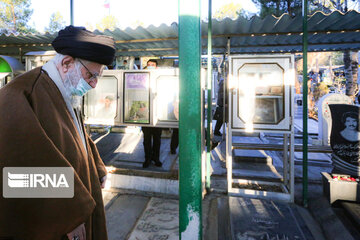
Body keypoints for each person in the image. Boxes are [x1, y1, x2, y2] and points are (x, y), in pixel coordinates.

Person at [0, 26, 116, 240]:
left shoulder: (62, 89)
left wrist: (96, 166)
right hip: (54, 222)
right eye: (91, 75)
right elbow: (16, 172)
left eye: (97, 77)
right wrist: (66, 215)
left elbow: (77, 137)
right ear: (66, 63)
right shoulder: (20, 94)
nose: (93, 84)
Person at [142, 59, 163, 168]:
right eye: (148, 65)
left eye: (152, 65)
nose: (150, 66)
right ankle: (147, 159)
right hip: (145, 114)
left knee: (157, 139)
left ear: (156, 67)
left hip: (157, 113)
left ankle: (156, 158)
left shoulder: (161, 79)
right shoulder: (143, 78)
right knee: (146, 139)